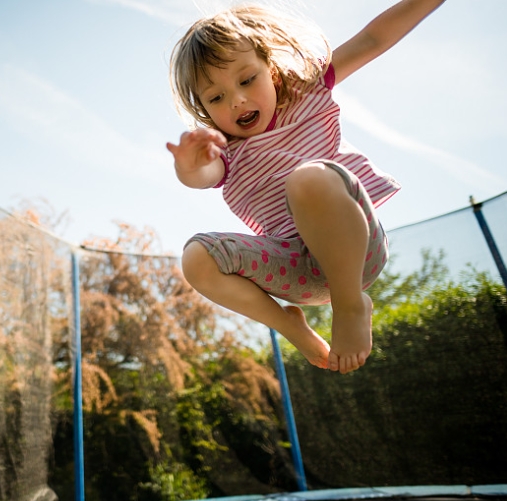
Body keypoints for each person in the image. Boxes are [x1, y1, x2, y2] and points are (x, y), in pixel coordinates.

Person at [166, 0, 445, 374]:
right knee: (197, 258)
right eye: (216, 98)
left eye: (247, 80)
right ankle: (290, 325)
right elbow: (202, 176)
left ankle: (350, 305)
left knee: (308, 178)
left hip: (356, 251)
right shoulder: (224, 151)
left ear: (274, 74)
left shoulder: (307, 94)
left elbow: (372, 39)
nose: (237, 100)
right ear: (204, 109)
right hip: (295, 271)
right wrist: (188, 166)